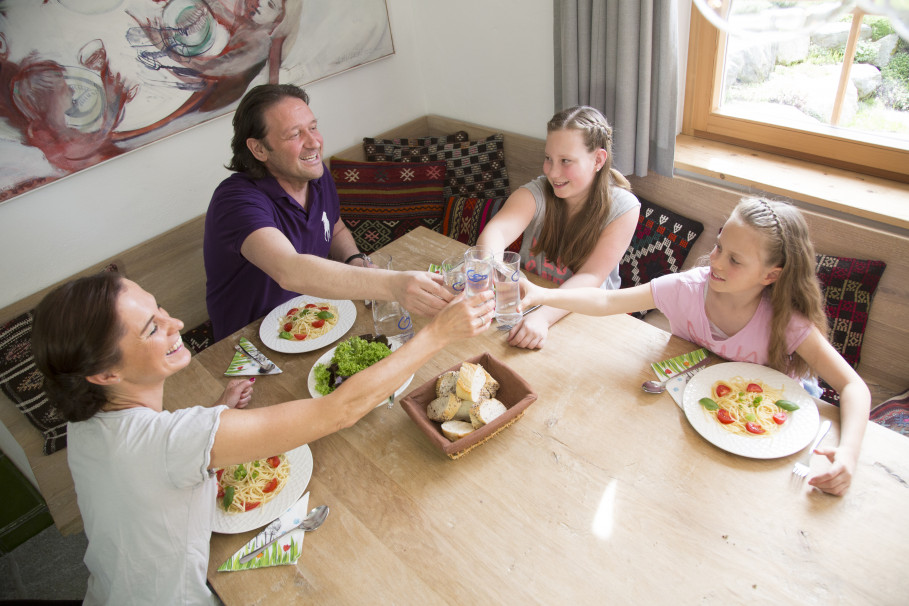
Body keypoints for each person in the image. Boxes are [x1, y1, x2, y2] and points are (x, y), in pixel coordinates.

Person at [31, 272, 495, 605]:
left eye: (159, 309)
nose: (174, 324)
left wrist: (216, 417)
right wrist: (437, 334)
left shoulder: (85, 420)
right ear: (105, 372)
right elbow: (339, 410)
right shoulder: (172, 440)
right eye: (152, 328)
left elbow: (153, 464)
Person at [518, 197, 870, 496]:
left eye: (735, 260)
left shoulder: (786, 321)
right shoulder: (686, 288)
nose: (715, 261)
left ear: (771, 275)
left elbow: (853, 386)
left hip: (768, 438)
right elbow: (606, 302)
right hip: (694, 419)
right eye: (719, 246)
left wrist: (849, 454)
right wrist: (542, 294)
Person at [203, 83, 452, 340]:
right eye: (294, 135)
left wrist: (354, 260)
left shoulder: (316, 174)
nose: (314, 143)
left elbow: (334, 227)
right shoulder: (235, 200)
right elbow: (289, 271)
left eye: (313, 127)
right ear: (259, 149)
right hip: (247, 345)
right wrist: (393, 285)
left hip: (315, 319)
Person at [476, 105, 639, 350]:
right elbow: (496, 232)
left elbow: (590, 277)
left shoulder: (625, 208)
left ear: (597, 159)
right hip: (527, 307)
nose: (552, 172)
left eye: (566, 161)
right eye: (548, 159)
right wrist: (495, 268)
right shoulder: (539, 190)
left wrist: (542, 316)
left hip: (586, 316)